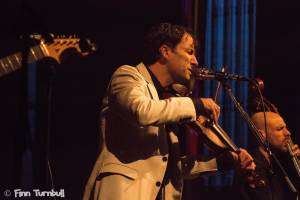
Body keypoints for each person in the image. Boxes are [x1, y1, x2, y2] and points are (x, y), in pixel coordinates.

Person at [83, 22, 255, 200]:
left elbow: (169, 167)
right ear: (165, 51)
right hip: (121, 192)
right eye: (189, 52)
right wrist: (195, 105)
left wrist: (221, 162)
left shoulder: (168, 101)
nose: (195, 60)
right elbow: (143, 111)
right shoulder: (128, 76)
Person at [233, 111, 300, 200]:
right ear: (261, 135)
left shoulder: (276, 162)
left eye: (286, 127)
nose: (288, 133)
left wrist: (295, 163)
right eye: (280, 129)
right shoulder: (252, 166)